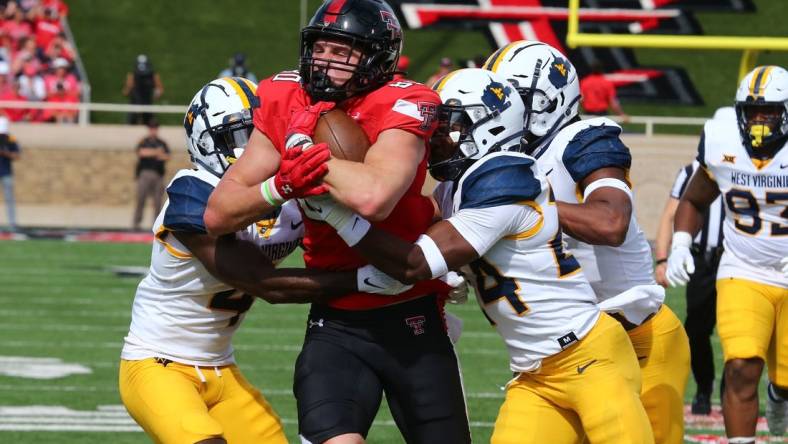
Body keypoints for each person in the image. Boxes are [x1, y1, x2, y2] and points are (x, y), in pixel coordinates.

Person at [302, 67, 654, 444]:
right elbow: (412, 222)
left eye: (446, 129)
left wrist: (340, 216)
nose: (434, 141)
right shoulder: (457, 187)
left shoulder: (507, 177)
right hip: (535, 374)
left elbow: (414, 263)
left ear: (491, 124)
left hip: (590, 357)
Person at [203, 1, 472, 443]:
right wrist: (280, 186)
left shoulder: (408, 99)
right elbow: (218, 213)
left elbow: (375, 196)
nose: (324, 60)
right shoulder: (284, 95)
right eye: (320, 47)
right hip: (336, 319)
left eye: (343, 51)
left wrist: (303, 148)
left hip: (412, 311)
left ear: (378, 57)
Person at [120, 77, 408, 444]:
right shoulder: (191, 195)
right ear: (209, 142)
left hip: (221, 368)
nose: (255, 145)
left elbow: (363, 223)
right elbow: (263, 284)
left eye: (262, 132)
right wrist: (364, 280)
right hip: (157, 365)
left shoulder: (285, 196)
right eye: (243, 134)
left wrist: (425, 265)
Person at [486, 40, 689, 444]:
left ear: (545, 101)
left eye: (508, 98)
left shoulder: (582, 140)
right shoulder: (498, 164)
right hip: (554, 352)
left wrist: (525, 210)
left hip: (637, 339)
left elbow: (611, 222)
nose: (498, 112)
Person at [667, 65, 788, 443]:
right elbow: (695, 198)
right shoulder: (722, 140)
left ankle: (780, 394)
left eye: (768, 111)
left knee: (785, 381)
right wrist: (680, 243)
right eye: (751, 111)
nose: (759, 120)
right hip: (744, 269)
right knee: (740, 366)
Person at [654, 109, 729, 415]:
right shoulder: (690, 172)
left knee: (735, 332)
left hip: (734, 261)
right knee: (696, 330)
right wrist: (662, 257)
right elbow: (671, 214)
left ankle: (730, 395)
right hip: (701, 260)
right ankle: (704, 389)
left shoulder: (749, 169)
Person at [132, 118, 170, 231]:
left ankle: (157, 225)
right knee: (141, 199)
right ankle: (136, 223)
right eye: (152, 128)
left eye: (155, 128)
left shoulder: (162, 143)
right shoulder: (144, 141)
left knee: (158, 201)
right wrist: (156, 152)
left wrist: (154, 153)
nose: (153, 130)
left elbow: (167, 156)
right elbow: (141, 152)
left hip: (158, 174)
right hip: (145, 173)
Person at [122, 54, 163, 125]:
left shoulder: (153, 77)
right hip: (134, 106)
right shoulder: (132, 77)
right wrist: (129, 86)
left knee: (150, 126)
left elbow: (160, 91)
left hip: (147, 106)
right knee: (130, 124)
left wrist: (156, 92)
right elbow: (125, 92)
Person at [0, 116, 19, 231]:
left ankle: (12, 224)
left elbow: (17, 155)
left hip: (6, 173)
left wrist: (4, 153)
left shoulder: (10, 139)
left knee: (9, 199)